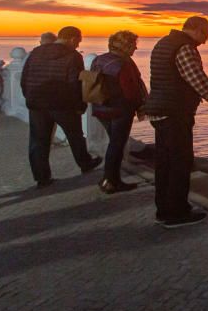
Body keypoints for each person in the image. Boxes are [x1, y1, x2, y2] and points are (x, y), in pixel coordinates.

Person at [143, 16, 208, 227]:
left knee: (165, 164)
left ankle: (165, 209)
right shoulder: (184, 47)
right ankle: (176, 213)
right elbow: (198, 80)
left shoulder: (163, 43)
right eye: (205, 35)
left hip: (160, 110)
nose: (205, 41)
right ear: (196, 30)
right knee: (180, 163)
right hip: (174, 112)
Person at [21, 26, 102, 187]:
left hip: (37, 103)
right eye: (78, 41)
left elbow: (25, 78)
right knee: (75, 136)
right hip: (62, 104)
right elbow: (75, 84)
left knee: (38, 140)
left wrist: (29, 97)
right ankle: (85, 163)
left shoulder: (36, 52)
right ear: (72, 39)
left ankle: (41, 177)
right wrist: (80, 105)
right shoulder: (73, 56)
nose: (78, 45)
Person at [91, 31, 147, 194]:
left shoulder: (99, 59)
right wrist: (141, 106)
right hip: (119, 110)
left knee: (114, 144)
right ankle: (111, 181)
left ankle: (110, 179)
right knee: (116, 145)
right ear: (126, 45)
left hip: (101, 108)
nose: (135, 48)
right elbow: (131, 91)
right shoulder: (123, 63)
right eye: (133, 44)